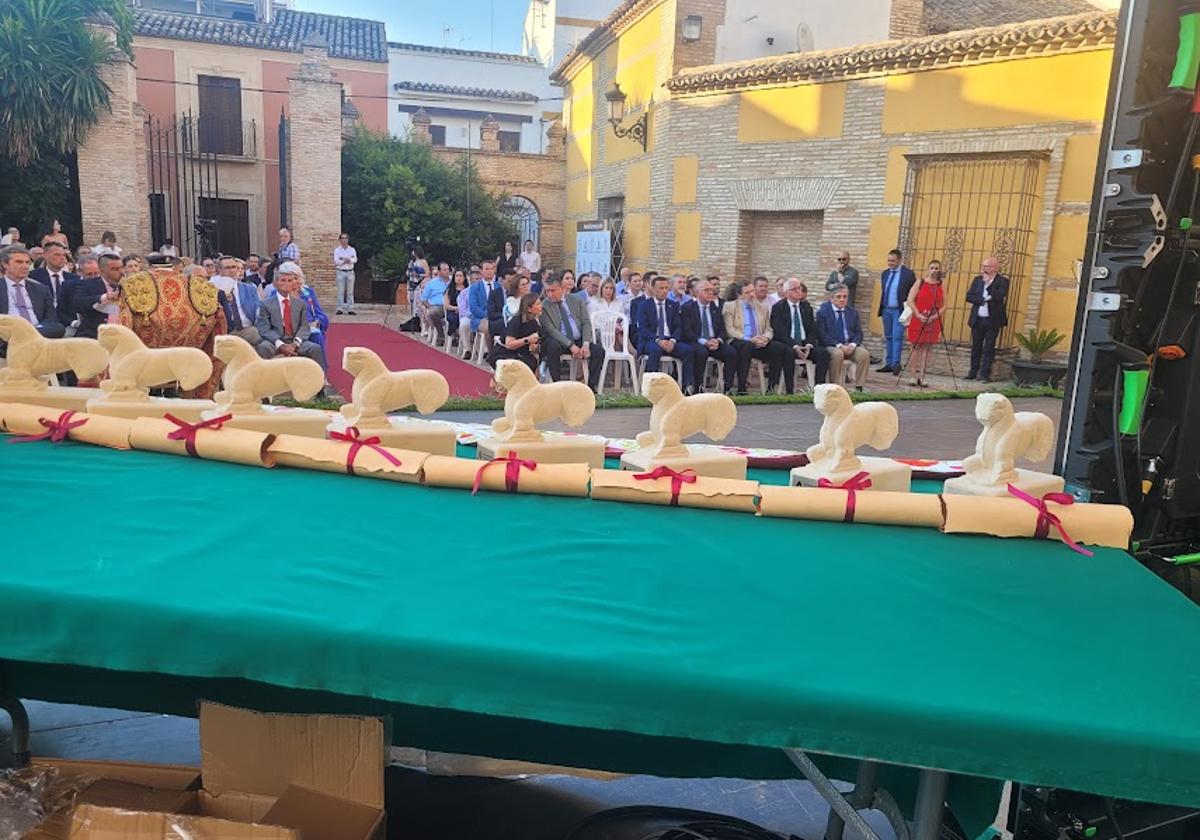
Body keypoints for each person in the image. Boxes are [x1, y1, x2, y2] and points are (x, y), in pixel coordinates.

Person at [631, 275, 701, 392]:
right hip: (651, 340)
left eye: (666, 288)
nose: (664, 291)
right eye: (660, 288)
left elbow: (678, 327)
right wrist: (658, 340)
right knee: (655, 350)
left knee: (688, 350)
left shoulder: (673, 305)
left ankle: (686, 387)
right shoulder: (643, 305)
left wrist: (673, 341)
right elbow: (642, 329)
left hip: (669, 340)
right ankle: (651, 388)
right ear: (653, 289)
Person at [255, 265, 326, 369]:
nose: (286, 284)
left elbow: (304, 326)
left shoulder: (300, 304)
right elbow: (264, 329)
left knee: (315, 348)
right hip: (274, 341)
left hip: (295, 340)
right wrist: (281, 345)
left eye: (289, 281)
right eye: (282, 280)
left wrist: (295, 344)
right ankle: (263, 379)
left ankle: (320, 380)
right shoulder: (266, 304)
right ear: (275, 284)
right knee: (263, 347)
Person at [540, 276, 605, 391]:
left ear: (561, 288)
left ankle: (590, 386)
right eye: (547, 291)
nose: (549, 294)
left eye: (552, 290)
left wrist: (586, 344)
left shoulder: (576, 300)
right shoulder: (544, 306)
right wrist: (570, 345)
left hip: (578, 338)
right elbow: (551, 330)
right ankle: (557, 385)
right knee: (552, 346)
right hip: (560, 340)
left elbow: (586, 322)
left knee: (598, 351)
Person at [722, 281, 785, 395]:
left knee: (778, 348)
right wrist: (749, 339)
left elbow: (769, 328)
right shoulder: (729, 307)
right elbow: (730, 330)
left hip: (759, 341)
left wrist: (765, 338)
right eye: (747, 292)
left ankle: (772, 387)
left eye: (752, 291)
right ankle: (742, 387)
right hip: (740, 340)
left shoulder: (763, 307)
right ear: (739, 295)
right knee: (747, 346)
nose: (751, 295)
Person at [0, 245, 64, 357]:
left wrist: (30, 332)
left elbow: (52, 320)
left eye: (27, 263)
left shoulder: (41, 289)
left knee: (59, 328)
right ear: (5, 264)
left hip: (37, 335)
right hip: (8, 339)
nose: (25, 266)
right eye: (19, 262)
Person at [770, 279, 829, 392]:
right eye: (795, 289)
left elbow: (813, 329)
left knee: (823, 353)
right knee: (788, 353)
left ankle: (818, 389)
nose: (799, 291)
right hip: (788, 343)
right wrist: (795, 346)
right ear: (786, 293)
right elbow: (779, 331)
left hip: (804, 344)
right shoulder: (778, 308)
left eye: (800, 288)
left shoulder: (806, 307)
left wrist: (809, 345)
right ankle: (789, 390)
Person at [681, 279, 737, 394]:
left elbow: (723, 330)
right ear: (697, 292)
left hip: (714, 342)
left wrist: (718, 340)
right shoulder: (688, 307)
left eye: (712, 290)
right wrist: (704, 341)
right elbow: (687, 331)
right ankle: (698, 386)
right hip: (697, 341)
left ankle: (727, 387)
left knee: (731, 352)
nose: (711, 293)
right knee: (701, 352)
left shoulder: (715, 308)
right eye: (707, 290)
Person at [816, 283, 870, 391]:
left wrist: (853, 344)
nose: (842, 300)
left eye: (845, 297)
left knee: (864, 354)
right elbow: (823, 334)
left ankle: (859, 387)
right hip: (832, 344)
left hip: (849, 344)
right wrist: (839, 346)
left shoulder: (852, 312)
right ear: (832, 298)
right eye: (839, 297)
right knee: (838, 354)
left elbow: (858, 333)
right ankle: (835, 387)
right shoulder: (823, 312)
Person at [965, 256, 1009, 383]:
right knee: (976, 346)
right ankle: (973, 372)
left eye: (987, 266)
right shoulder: (978, 280)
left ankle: (984, 374)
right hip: (978, 319)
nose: (984, 269)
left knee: (989, 347)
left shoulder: (1002, 281)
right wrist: (983, 299)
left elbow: (999, 295)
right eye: (983, 266)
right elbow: (969, 296)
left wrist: (988, 285)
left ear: (995, 267)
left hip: (992, 320)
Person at [904, 259, 946, 388]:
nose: (934, 270)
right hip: (919, 318)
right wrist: (917, 314)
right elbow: (910, 300)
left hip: (933, 320)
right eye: (932, 268)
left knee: (927, 349)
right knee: (916, 347)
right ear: (928, 269)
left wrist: (934, 317)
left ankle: (922, 376)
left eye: (936, 268)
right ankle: (913, 375)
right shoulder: (920, 282)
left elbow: (945, 305)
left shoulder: (941, 285)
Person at [876, 248, 916, 373]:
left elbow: (914, 293)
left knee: (897, 336)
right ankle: (888, 363)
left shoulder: (908, 274)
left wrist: (910, 310)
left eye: (893, 261)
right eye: (889, 260)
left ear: (900, 260)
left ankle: (896, 364)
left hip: (899, 310)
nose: (890, 263)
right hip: (886, 309)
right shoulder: (885, 273)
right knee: (888, 336)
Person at [214, 255, 263, 348]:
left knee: (258, 337)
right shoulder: (213, 289)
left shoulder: (250, 288)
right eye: (227, 268)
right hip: (226, 331)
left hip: (248, 328)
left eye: (234, 267)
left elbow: (258, 310)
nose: (232, 270)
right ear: (219, 271)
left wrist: (258, 326)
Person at [487, 292, 542, 374]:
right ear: (529, 309)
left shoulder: (534, 322)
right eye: (537, 304)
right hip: (504, 353)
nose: (541, 306)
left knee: (532, 362)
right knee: (520, 365)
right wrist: (527, 340)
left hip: (520, 353)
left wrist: (535, 345)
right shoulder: (516, 321)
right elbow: (509, 344)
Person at [73, 252, 125, 339]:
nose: (121, 272)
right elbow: (78, 304)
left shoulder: (130, 285)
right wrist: (104, 297)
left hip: (124, 334)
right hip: (95, 335)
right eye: (115, 269)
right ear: (102, 271)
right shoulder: (88, 285)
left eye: (122, 268)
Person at [30, 240, 78, 325]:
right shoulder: (34, 277)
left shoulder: (73, 278)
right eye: (57, 255)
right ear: (45, 255)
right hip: (44, 321)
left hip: (69, 322)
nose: (62, 258)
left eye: (64, 255)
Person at [469, 260, 499, 351]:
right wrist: (487, 315)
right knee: (488, 327)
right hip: (480, 318)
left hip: (497, 317)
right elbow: (473, 307)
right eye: (487, 269)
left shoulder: (498, 286)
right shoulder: (475, 287)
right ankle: (491, 352)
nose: (489, 271)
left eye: (491, 269)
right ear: (481, 272)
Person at [422, 262, 451, 344]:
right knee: (433, 312)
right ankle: (441, 335)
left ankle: (454, 336)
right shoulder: (432, 283)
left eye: (448, 270)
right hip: (438, 307)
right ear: (439, 272)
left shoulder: (453, 282)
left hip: (451, 306)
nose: (447, 272)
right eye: (444, 270)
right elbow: (423, 299)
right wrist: (429, 306)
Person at [333, 233, 357, 315]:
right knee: (340, 291)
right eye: (342, 238)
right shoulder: (337, 250)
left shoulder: (352, 249)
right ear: (340, 240)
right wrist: (345, 260)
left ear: (348, 239)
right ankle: (340, 308)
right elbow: (336, 262)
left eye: (346, 238)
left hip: (350, 271)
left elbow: (355, 259)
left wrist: (345, 259)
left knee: (350, 291)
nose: (344, 240)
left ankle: (350, 308)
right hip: (340, 272)